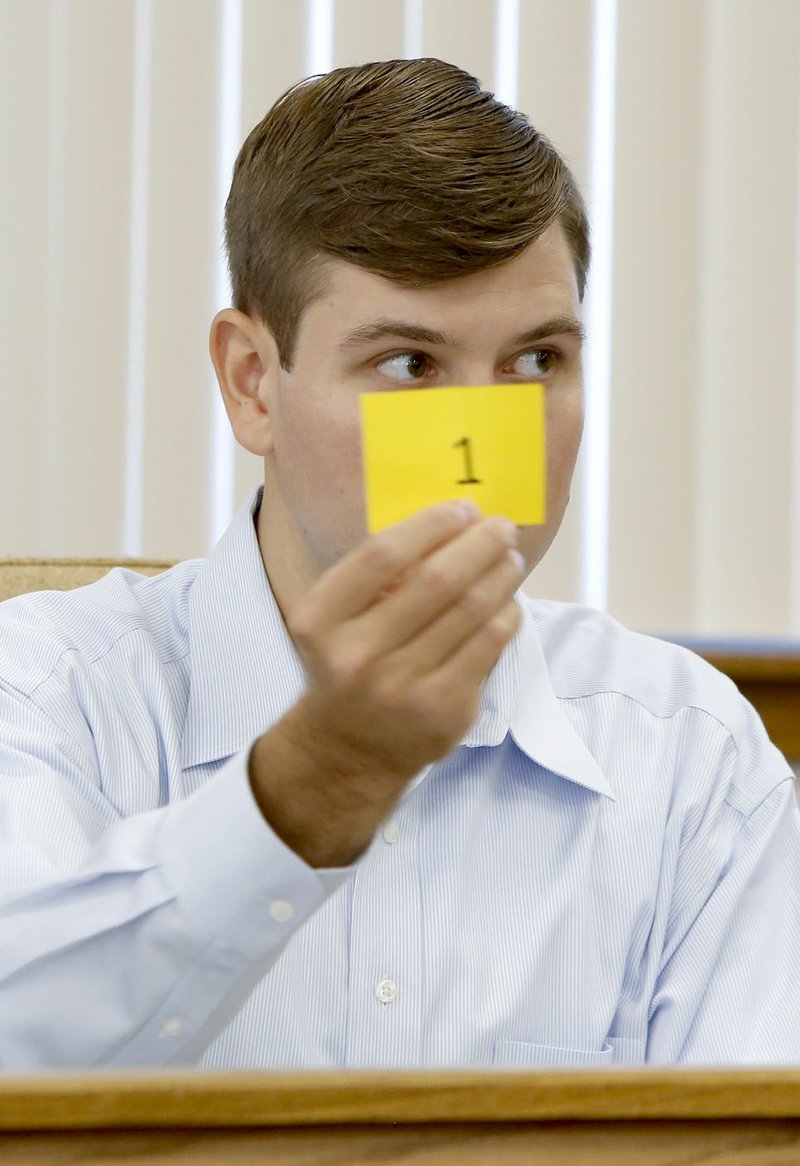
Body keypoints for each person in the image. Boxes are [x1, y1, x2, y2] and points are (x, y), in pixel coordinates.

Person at [0, 57, 798, 1070]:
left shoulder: (691, 757)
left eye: (533, 361)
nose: (483, 437)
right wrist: (315, 778)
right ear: (253, 383)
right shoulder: (42, 695)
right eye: (409, 365)